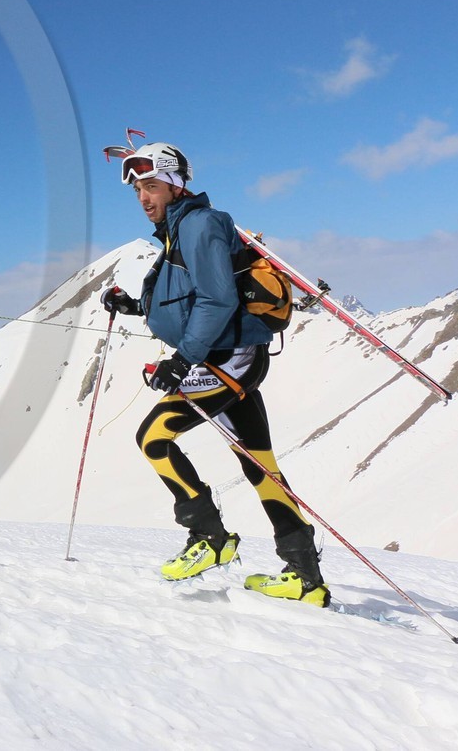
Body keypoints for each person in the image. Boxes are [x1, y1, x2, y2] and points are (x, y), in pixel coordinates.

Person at [101, 140, 329, 606]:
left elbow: (217, 299)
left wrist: (183, 359)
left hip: (226, 360)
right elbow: (188, 293)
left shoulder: (198, 225)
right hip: (228, 356)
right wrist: (134, 306)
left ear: (175, 184)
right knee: (259, 463)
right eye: (137, 189)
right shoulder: (180, 227)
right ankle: (305, 578)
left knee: (154, 440)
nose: (144, 197)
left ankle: (210, 538)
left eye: (151, 186)